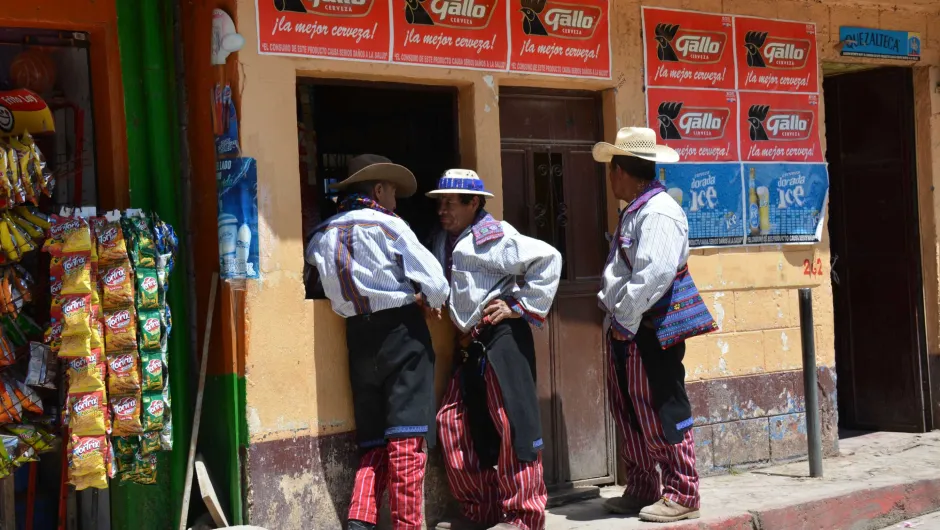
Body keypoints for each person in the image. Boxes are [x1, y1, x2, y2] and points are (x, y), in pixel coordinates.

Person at [305, 154, 450, 530]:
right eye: (393, 194)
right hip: (401, 334)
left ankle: (360, 521)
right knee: (406, 443)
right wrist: (428, 300)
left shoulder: (321, 234)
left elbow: (313, 281)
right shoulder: (388, 226)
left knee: (372, 443)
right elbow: (436, 283)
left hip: (357, 339)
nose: (396, 202)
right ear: (379, 189)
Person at [592, 128, 718, 523]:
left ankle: (683, 492)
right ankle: (643, 486)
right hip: (629, 328)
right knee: (630, 410)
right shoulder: (637, 210)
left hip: (648, 329)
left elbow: (654, 275)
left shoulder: (659, 213)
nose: (610, 178)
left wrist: (625, 320)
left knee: (661, 408)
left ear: (623, 171)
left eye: (612, 170)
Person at [428, 169, 562, 530]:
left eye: (450, 202)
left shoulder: (497, 237)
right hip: (472, 345)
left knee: (511, 425)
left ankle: (524, 516)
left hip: (501, 340)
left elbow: (548, 258)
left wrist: (519, 307)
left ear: (474, 203)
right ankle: (481, 511)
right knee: (452, 422)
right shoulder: (445, 240)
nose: (442, 209)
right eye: (439, 202)